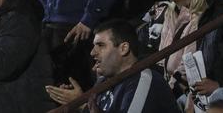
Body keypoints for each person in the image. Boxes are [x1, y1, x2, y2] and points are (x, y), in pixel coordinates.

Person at [46, 19, 180, 112]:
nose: (93, 53)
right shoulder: (104, 81)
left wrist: (81, 105)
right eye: (94, 46)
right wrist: (72, 108)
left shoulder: (144, 79)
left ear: (123, 48)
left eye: (101, 45)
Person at [158, 0, 208, 89]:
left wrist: (165, 92)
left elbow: (186, 70)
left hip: (180, 90)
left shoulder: (199, 21)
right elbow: (161, 60)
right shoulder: (170, 14)